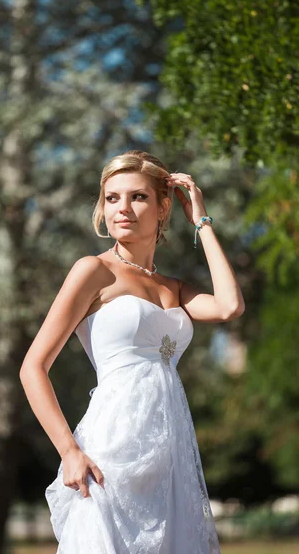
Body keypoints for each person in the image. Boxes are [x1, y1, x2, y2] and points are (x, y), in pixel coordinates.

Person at [19, 149, 245, 553]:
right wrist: (69, 451)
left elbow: (229, 305)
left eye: (138, 197)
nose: (122, 208)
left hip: (169, 449)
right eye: (111, 198)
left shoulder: (173, 288)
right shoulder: (93, 270)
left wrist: (202, 222)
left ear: (162, 209)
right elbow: (33, 367)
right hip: (110, 445)